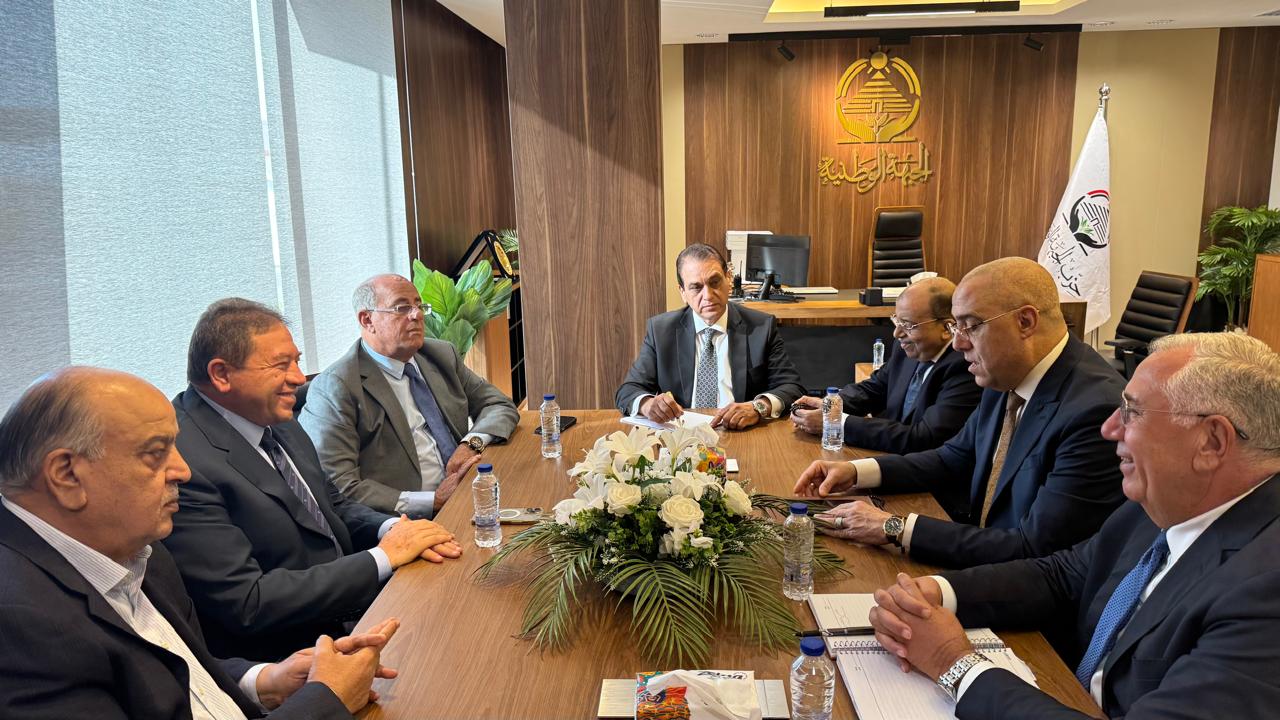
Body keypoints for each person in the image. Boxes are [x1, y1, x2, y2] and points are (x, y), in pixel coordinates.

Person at [865, 333, 1280, 719]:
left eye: (1132, 412)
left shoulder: (1265, 593)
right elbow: (1063, 576)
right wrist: (938, 592)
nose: (1109, 428)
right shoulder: (1168, 499)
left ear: (1211, 441)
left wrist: (952, 663)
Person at [0, 367, 400, 719]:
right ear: (67, 475)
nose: (183, 470)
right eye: (155, 453)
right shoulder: (19, 627)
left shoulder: (142, 552)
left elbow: (175, 671)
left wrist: (264, 680)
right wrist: (325, 700)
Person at [165, 298, 461, 661]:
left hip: (359, 612)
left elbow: (331, 503)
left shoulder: (273, 416)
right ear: (221, 374)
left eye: (297, 361)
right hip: (292, 658)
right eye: (281, 365)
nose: (297, 378)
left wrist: (394, 529)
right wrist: (382, 557)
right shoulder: (182, 464)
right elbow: (248, 601)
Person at [795, 257, 1125, 568]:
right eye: (957, 328)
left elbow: (1033, 548)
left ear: (1025, 322)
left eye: (970, 326)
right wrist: (856, 472)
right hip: (981, 559)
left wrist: (894, 527)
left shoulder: (1095, 412)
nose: (957, 344)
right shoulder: (1005, 374)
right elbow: (952, 458)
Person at [298, 274, 519, 518]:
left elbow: (498, 404)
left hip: (471, 491)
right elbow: (339, 485)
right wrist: (433, 501)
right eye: (402, 308)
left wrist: (471, 443)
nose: (417, 315)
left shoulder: (439, 355)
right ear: (367, 319)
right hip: (407, 521)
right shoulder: (336, 387)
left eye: (419, 306)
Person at [615, 243, 805, 430]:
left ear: (728, 279)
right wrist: (648, 404)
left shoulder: (762, 327)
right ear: (683, 292)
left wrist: (758, 407)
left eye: (714, 282)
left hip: (741, 432)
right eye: (696, 287)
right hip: (683, 435)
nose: (708, 295)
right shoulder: (661, 331)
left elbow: (791, 387)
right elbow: (628, 390)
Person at [790, 277, 981, 453]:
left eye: (908, 325)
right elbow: (875, 388)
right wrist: (831, 405)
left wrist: (837, 423)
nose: (897, 334)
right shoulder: (907, 349)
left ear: (947, 328)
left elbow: (924, 438)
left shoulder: (966, 367)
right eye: (896, 320)